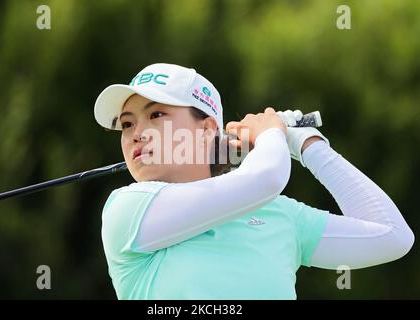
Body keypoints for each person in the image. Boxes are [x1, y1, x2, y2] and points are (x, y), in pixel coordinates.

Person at [94, 63, 414, 299]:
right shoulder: (127, 209)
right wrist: (272, 134)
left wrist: (308, 145)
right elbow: (266, 178)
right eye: (126, 123)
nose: (136, 134)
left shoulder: (279, 214)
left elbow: (392, 237)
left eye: (156, 115)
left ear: (206, 131)